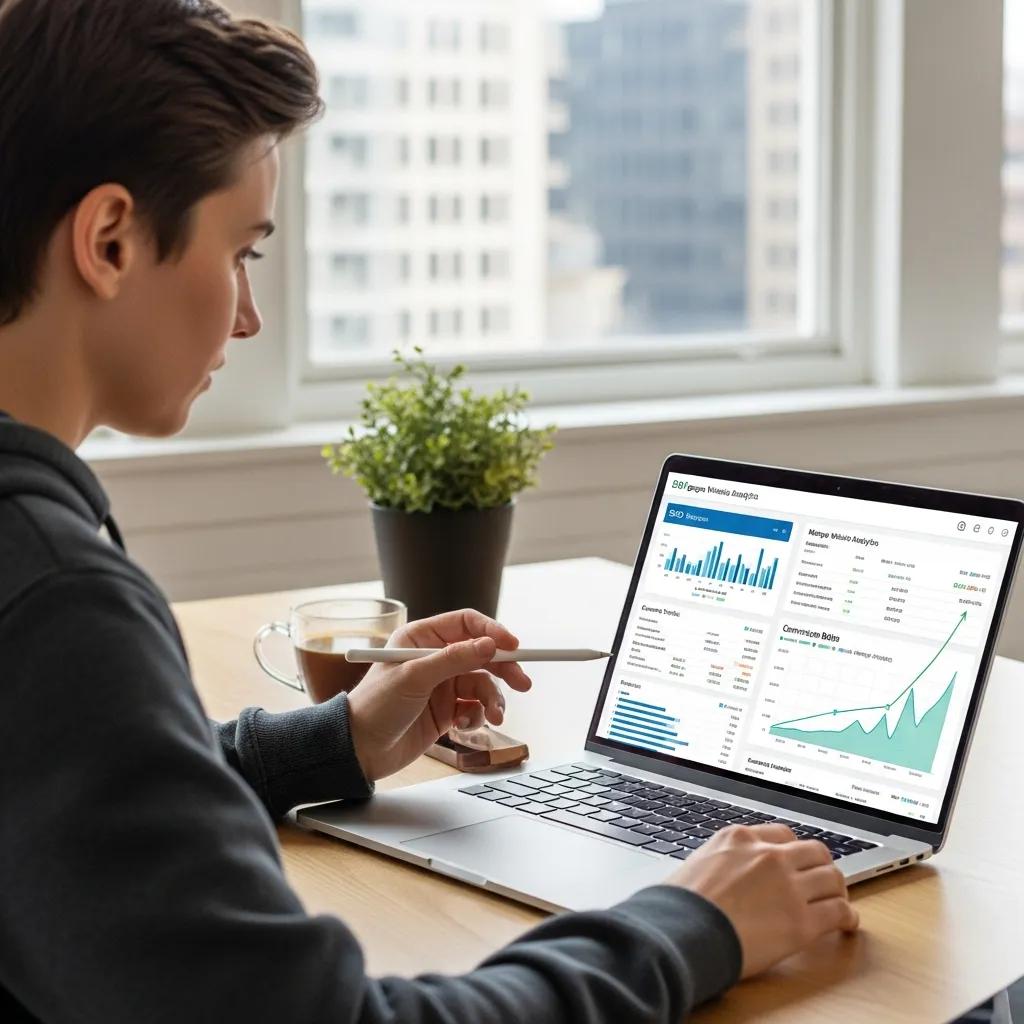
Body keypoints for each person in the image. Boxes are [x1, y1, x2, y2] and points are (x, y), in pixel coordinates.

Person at [0, 1, 859, 1021]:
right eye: (242, 254)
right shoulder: (56, 598)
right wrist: (691, 924)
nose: (249, 314)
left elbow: (64, 801)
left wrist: (334, 742)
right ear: (108, 239)